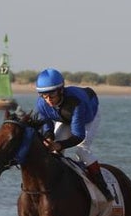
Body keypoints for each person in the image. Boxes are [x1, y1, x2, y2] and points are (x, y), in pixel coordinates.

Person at [34, 68, 113, 200]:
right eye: (44, 96)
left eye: (51, 96)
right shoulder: (42, 104)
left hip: (88, 118)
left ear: (60, 90)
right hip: (64, 118)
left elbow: (78, 136)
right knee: (53, 151)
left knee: (81, 152)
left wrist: (59, 145)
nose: (48, 100)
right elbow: (47, 126)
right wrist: (49, 139)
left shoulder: (76, 103)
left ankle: (103, 189)